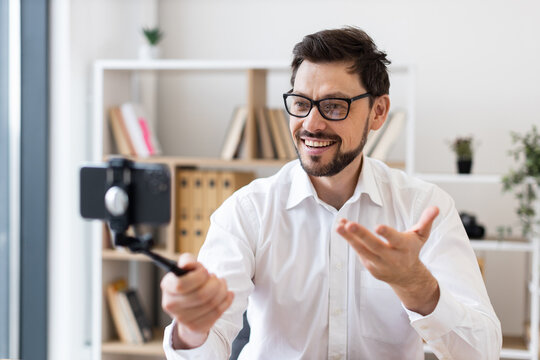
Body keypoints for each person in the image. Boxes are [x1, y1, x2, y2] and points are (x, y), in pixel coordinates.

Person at [161, 26, 502, 360]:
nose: (310, 123)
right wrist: (193, 327)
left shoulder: (424, 208)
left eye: (334, 106)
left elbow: (482, 352)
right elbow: (206, 344)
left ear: (378, 112)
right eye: (300, 103)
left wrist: (417, 286)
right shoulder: (248, 211)